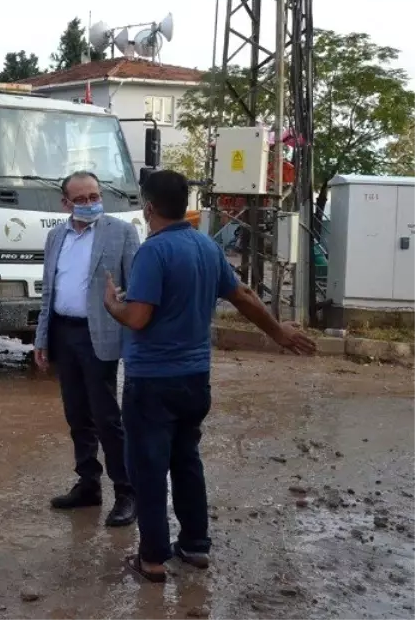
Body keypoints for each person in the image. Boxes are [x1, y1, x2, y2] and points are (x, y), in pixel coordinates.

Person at [103, 169, 317, 583]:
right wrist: (279, 333)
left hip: (152, 382)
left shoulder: (154, 252)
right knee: (186, 460)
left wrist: (114, 305)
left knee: (147, 468)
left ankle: (151, 559)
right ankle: (195, 546)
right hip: (195, 378)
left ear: (148, 208)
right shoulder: (206, 247)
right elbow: (244, 295)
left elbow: (139, 316)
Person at [35, 170, 140, 527]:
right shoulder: (56, 236)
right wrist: (41, 338)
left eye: (94, 196)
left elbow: (136, 286)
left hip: (99, 335)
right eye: (80, 199)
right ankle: (88, 483)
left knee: (106, 416)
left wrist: (124, 302)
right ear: (65, 203)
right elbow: (49, 290)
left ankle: (126, 492)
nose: (90, 204)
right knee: (76, 413)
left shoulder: (121, 233)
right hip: (64, 333)